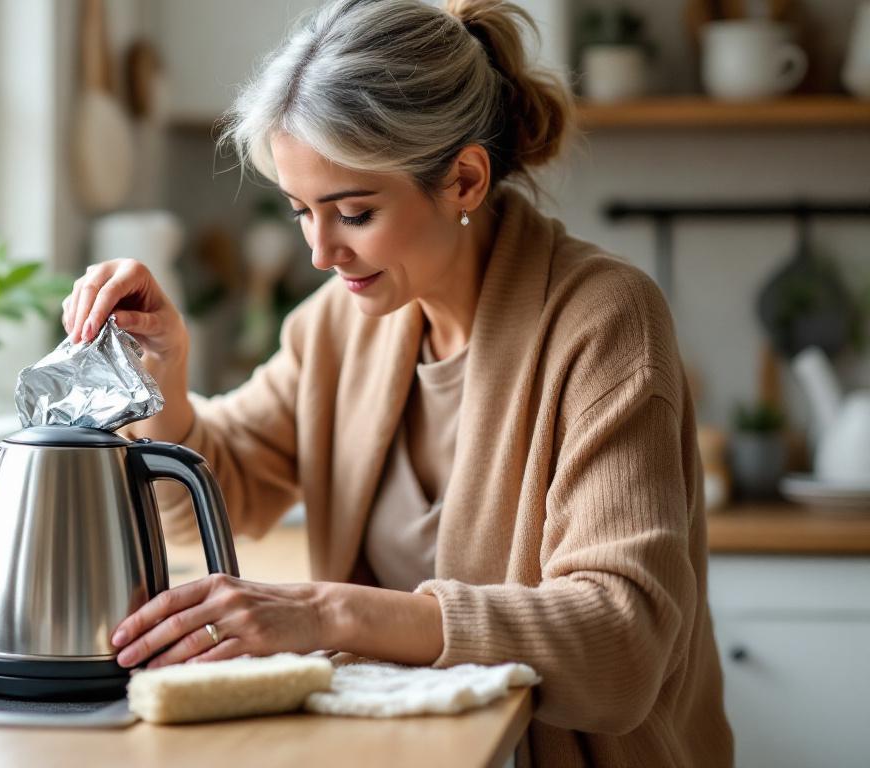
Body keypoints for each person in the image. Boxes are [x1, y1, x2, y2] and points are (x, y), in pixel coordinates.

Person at [61, 1, 732, 764]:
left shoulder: (604, 321)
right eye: (301, 211)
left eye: (353, 212)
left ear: (464, 181)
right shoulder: (336, 326)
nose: (321, 253)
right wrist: (162, 376)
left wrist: (327, 613)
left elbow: (622, 641)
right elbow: (222, 487)